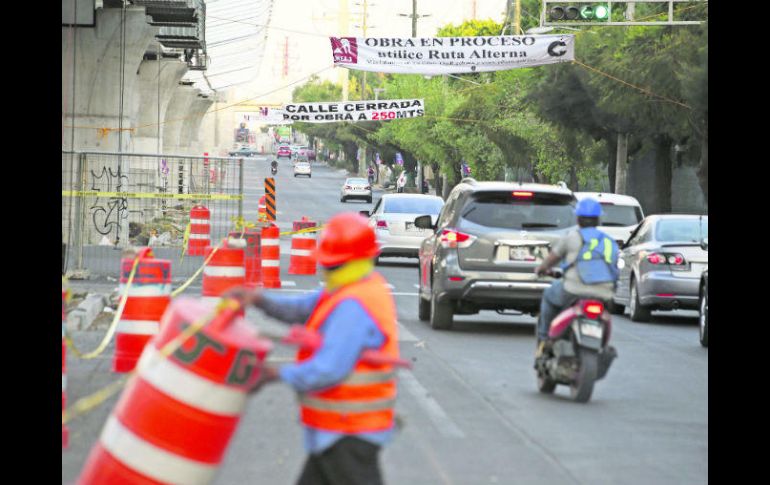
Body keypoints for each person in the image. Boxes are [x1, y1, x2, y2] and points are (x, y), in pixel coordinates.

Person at [227, 212, 399, 485]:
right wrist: (258, 299)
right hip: (338, 431)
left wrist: (276, 374)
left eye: (330, 265)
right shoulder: (350, 288)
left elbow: (328, 369)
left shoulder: (354, 304)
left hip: (349, 432)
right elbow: (301, 309)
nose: (325, 270)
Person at [533, 198, 619, 355]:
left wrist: (540, 269)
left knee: (548, 296)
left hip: (573, 290)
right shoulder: (609, 242)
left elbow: (551, 260)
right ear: (598, 219)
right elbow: (614, 267)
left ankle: (545, 339)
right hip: (604, 293)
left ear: (578, 218)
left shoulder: (571, 237)